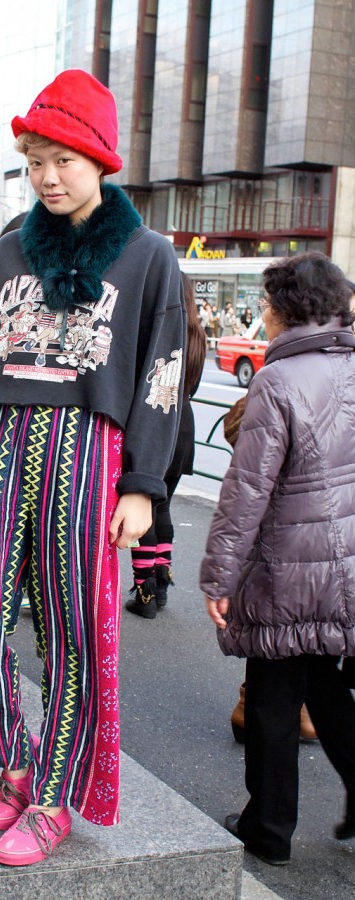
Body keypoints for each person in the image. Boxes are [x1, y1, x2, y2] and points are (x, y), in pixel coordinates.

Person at [0, 69, 186, 868]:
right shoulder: (8, 249)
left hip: (89, 453)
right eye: (36, 158)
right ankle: (17, 757)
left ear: (101, 160)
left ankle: (50, 801)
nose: (47, 175)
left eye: (63, 158)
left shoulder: (148, 257)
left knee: (75, 636)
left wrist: (144, 488)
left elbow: (162, 376)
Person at [200, 250, 355, 866]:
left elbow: (246, 490)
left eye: (267, 303)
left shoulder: (279, 379)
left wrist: (219, 574)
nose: (262, 314)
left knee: (271, 696)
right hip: (344, 561)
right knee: (322, 681)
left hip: (286, 563)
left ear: (287, 310)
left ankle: (267, 828)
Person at [127, 274, 206, 617]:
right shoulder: (197, 335)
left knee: (144, 503)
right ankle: (161, 581)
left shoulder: (162, 330)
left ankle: (144, 591)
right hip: (184, 421)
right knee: (164, 504)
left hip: (155, 418)